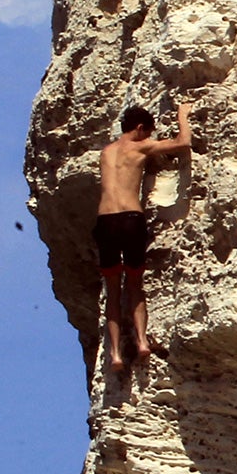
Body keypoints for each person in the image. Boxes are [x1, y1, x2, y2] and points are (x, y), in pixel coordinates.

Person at [96, 102, 193, 372]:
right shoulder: (140, 147)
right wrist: (182, 115)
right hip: (130, 219)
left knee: (113, 290)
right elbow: (183, 143)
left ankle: (114, 354)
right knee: (135, 284)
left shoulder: (106, 153)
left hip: (105, 222)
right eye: (148, 132)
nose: (150, 137)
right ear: (140, 129)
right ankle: (141, 342)